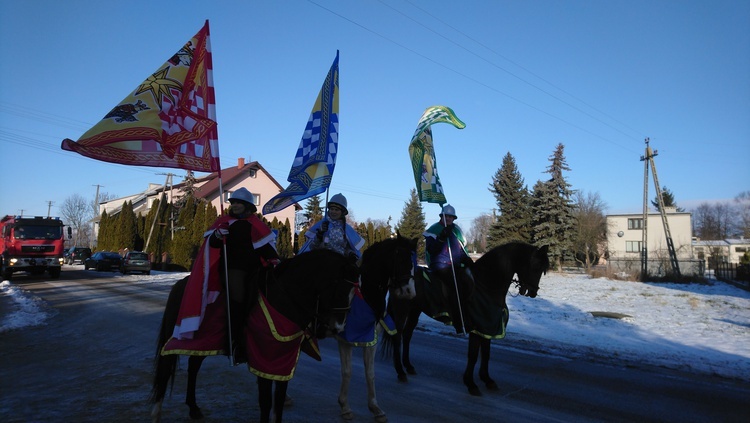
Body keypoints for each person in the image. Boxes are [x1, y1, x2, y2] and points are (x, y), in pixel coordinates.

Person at [209, 187, 280, 365]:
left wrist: (274, 259)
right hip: (233, 268)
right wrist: (218, 234)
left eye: (239, 203)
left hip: (256, 269)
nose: (235, 205)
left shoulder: (256, 224)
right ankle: (234, 342)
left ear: (248, 205)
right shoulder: (224, 222)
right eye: (233, 203)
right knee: (238, 300)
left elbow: (265, 247)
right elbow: (212, 244)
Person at [424, 204, 474, 334]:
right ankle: (457, 320)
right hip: (440, 265)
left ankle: (472, 314)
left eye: (451, 217)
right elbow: (431, 249)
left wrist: (466, 259)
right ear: (442, 216)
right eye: (446, 216)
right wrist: (440, 239)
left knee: (472, 281)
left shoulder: (456, 230)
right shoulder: (433, 230)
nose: (449, 218)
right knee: (454, 286)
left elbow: (460, 250)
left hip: (456, 265)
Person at [298, 193, 364, 263]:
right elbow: (312, 247)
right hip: (322, 262)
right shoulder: (322, 225)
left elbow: (347, 248)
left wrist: (350, 254)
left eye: (337, 210)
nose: (333, 212)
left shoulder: (346, 229)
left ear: (342, 212)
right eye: (332, 209)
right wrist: (319, 235)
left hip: (340, 263)